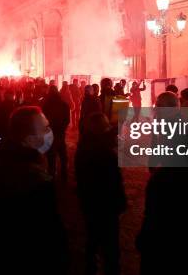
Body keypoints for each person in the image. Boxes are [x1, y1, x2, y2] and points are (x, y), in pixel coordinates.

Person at [136, 91, 188, 274]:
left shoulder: (165, 181)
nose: (155, 110)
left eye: (158, 106)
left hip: (171, 247)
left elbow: (154, 216)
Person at [0, 106, 68, 275]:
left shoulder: (1, 158)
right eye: (45, 128)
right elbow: (49, 237)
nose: (49, 131)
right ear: (29, 139)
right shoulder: (36, 181)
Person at [75, 112, 126, 275]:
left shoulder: (83, 147)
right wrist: (121, 204)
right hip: (107, 206)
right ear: (102, 129)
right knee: (111, 247)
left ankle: (91, 266)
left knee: (92, 237)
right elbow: (114, 183)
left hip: (88, 203)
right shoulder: (105, 153)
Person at [41, 86, 70, 182]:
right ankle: (64, 175)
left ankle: (52, 175)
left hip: (50, 132)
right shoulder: (64, 104)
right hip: (60, 132)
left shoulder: (45, 104)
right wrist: (62, 128)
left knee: (51, 156)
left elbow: (43, 120)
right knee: (62, 155)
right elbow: (67, 120)